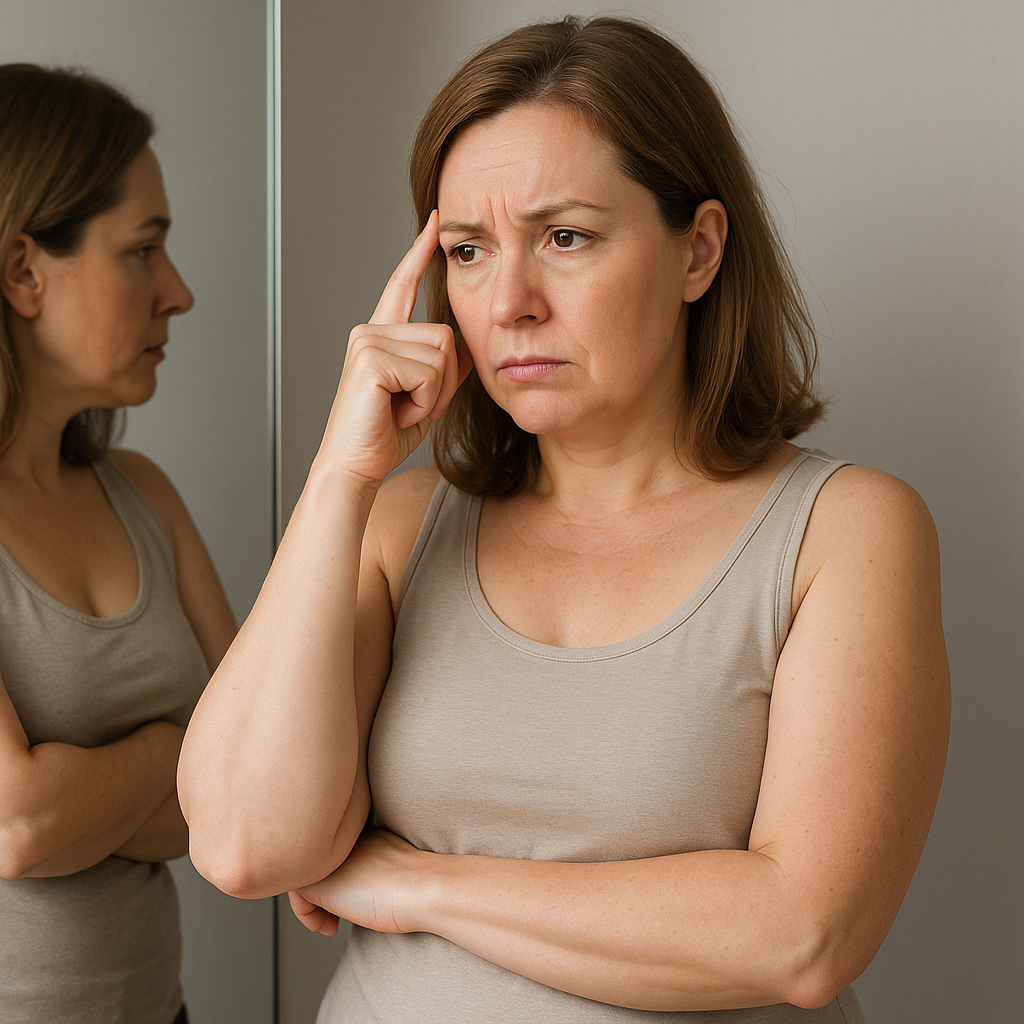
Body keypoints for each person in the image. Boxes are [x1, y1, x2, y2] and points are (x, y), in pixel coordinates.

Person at [180, 15, 950, 1023]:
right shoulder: (396, 526)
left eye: (565, 237)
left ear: (698, 252)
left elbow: (802, 934)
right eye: (465, 250)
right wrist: (338, 473)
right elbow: (244, 845)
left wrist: (414, 885)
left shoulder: (845, 530)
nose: (508, 302)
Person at [0, 65, 236, 1024]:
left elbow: (250, 795)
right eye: (142, 251)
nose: (177, 294)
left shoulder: (145, 497)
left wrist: (80, 792)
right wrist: (176, 750)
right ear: (23, 272)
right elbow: (18, 824)